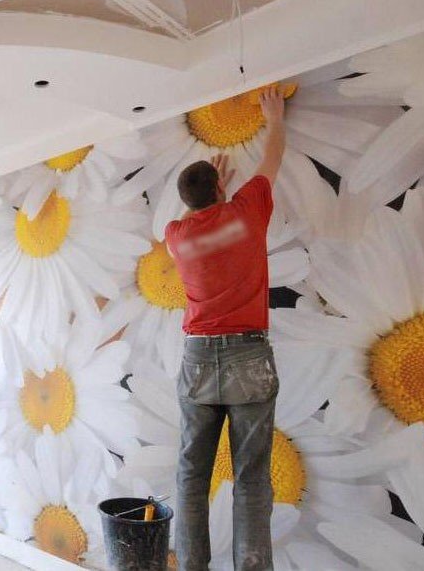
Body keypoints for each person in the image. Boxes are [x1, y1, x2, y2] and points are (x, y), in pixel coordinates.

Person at [165, 84, 287, 571]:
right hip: (247, 357)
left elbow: (193, 216)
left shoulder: (177, 237)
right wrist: (274, 119)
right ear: (221, 190)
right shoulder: (245, 212)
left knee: (191, 476)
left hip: (197, 357)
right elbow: (272, 160)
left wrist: (204, 198)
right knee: (251, 478)